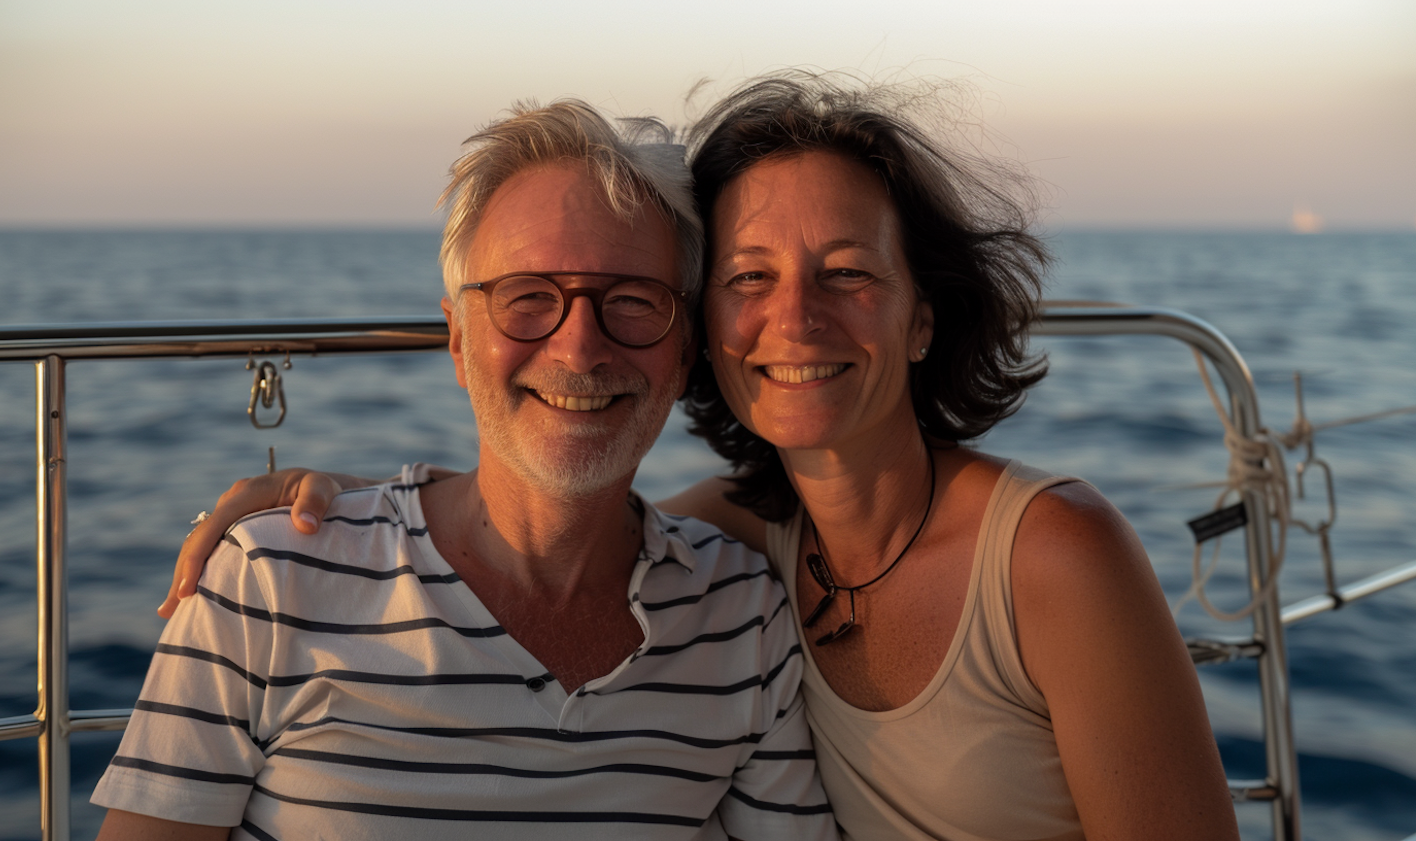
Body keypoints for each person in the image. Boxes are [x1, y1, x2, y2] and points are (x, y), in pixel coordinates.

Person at [165, 73, 1240, 841]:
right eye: (750, 277)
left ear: (923, 318)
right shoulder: (744, 538)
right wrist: (343, 514)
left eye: (849, 274)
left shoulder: (1051, 557)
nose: (796, 320)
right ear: (704, 328)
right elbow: (547, 511)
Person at [93, 100, 836, 841]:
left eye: (633, 301)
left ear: (684, 355)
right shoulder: (272, 578)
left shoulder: (740, 616)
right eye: (527, 298)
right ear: (457, 338)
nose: (579, 349)